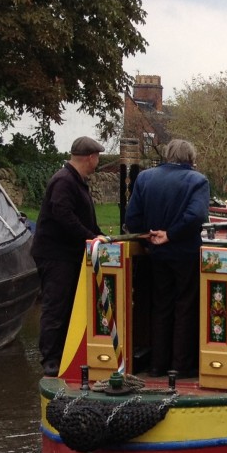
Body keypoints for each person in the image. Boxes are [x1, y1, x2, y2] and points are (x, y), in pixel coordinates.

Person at [123, 139, 211, 377]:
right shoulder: (197, 180)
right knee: (185, 306)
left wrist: (148, 239)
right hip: (185, 253)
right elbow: (196, 216)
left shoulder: (145, 178)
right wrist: (170, 235)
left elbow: (132, 217)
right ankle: (180, 366)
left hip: (156, 254)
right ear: (190, 159)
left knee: (160, 305)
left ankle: (157, 365)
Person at [32, 136, 107, 376]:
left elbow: (84, 218)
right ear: (90, 158)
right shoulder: (64, 181)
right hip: (56, 255)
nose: (98, 162)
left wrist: (100, 235)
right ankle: (51, 359)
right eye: (97, 157)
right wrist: (89, 238)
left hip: (68, 254)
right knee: (56, 304)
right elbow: (63, 215)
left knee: (66, 304)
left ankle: (64, 353)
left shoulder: (76, 181)